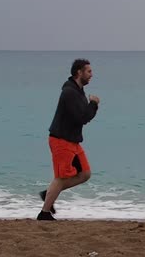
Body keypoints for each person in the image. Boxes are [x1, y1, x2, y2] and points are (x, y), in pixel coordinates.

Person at [37, 59, 100, 221]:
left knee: (85, 173)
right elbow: (82, 118)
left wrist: (91, 105)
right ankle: (44, 213)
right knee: (61, 178)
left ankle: (49, 193)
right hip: (61, 140)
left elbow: (83, 116)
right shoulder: (70, 93)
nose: (91, 75)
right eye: (89, 71)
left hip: (73, 141)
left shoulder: (78, 91)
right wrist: (93, 104)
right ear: (79, 72)